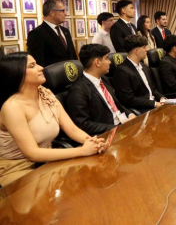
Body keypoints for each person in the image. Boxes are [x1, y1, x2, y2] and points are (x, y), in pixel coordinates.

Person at [0, 53, 105, 186]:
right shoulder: (12, 107)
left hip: (46, 162)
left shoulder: (46, 94)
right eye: (32, 66)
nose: (40, 68)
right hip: (17, 169)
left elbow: (72, 129)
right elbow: (32, 154)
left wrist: (91, 142)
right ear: (17, 74)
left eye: (37, 63)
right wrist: (82, 151)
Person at [66, 44, 135, 135]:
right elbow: (84, 125)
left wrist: (130, 114)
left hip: (122, 126)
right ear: (97, 62)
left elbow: (117, 105)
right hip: (107, 134)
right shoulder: (78, 90)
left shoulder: (104, 80)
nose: (110, 62)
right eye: (106, 58)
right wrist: (118, 128)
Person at [112, 35, 165, 114]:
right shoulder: (122, 71)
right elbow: (128, 99)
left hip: (155, 105)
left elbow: (153, 89)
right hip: (142, 110)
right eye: (144, 47)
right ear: (136, 51)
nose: (146, 50)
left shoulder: (145, 67)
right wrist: (154, 104)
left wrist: (161, 98)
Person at [27, 0, 77, 67]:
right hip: (53, 76)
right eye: (62, 11)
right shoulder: (37, 33)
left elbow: (73, 55)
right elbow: (38, 62)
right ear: (52, 13)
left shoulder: (65, 31)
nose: (65, 14)